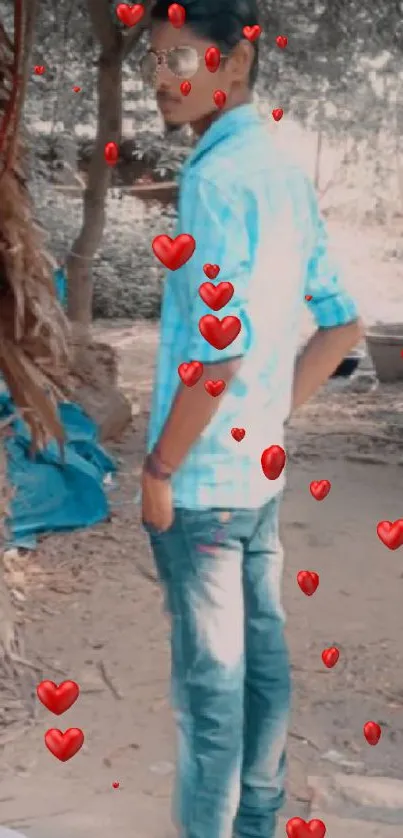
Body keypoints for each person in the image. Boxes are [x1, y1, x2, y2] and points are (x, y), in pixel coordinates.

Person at [140, 2, 362, 837]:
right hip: (255, 470)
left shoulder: (215, 178)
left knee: (209, 695)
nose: (162, 79)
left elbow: (217, 356)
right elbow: (340, 322)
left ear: (231, 64)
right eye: (154, 61)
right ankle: (258, 824)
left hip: (200, 484)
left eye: (179, 59)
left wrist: (159, 467)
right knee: (262, 665)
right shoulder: (278, 167)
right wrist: (272, 413)